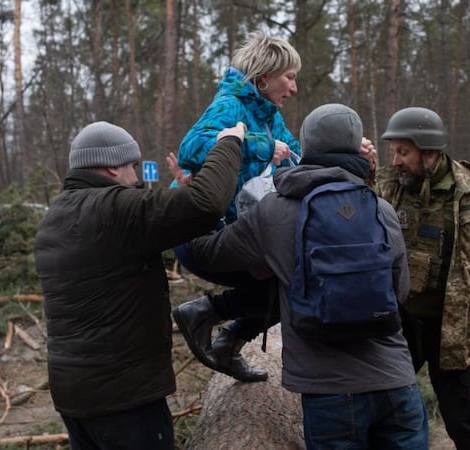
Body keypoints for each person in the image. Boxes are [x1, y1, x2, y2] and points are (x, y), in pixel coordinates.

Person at [184, 103, 429, 449]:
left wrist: (196, 193)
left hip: (330, 394)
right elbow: (399, 292)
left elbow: (207, 253)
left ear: (307, 147)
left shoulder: (274, 211)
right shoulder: (381, 209)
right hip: (396, 385)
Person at [34, 120, 246, 449]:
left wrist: (180, 192)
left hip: (73, 395)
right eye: (133, 166)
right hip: (125, 400)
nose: (136, 177)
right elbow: (206, 205)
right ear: (111, 166)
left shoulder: (55, 216)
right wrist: (230, 142)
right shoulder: (113, 209)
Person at [376, 107, 470, 450]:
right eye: (393, 152)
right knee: (380, 410)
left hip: (452, 332)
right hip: (399, 325)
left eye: (404, 152)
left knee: (465, 424)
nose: (396, 160)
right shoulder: (387, 188)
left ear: (429, 153)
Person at [169, 31, 301, 382]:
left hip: (240, 233)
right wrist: (260, 146)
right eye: (289, 77)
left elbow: (298, 154)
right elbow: (191, 148)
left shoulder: (271, 116)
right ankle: (208, 316)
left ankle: (225, 339)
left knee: (293, 282)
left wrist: (344, 153)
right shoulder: (229, 105)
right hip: (200, 232)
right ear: (265, 78)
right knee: (291, 285)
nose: (294, 87)